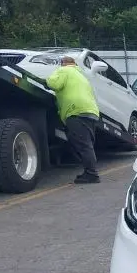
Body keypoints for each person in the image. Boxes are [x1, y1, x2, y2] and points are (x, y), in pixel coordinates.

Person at [46, 56, 101, 184]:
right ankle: (90, 172)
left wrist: (48, 79)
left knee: (83, 145)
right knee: (87, 144)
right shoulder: (81, 75)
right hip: (91, 111)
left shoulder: (64, 70)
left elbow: (54, 84)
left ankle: (92, 174)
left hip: (76, 110)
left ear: (63, 63)